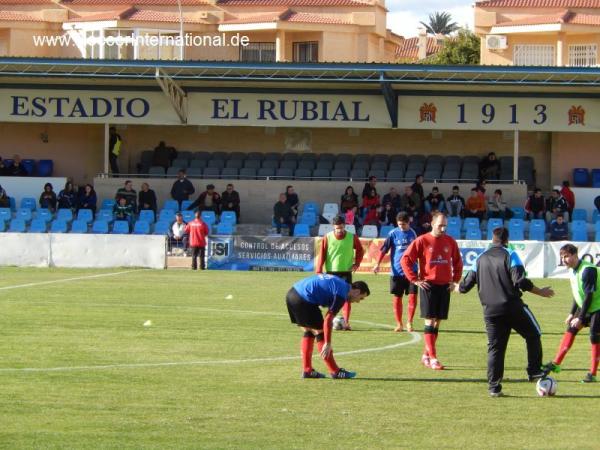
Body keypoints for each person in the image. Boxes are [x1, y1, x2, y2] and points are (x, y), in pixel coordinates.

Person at [457, 227, 555, 397]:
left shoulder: (480, 257)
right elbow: (520, 280)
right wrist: (540, 292)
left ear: (492, 239)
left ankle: (494, 388)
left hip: (490, 311)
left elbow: (464, 287)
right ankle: (534, 371)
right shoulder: (511, 254)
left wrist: (454, 287)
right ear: (507, 240)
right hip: (512, 306)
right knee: (534, 334)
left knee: (495, 348)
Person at [401, 212, 463, 370]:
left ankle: (426, 355)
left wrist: (455, 281)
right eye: (440, 225)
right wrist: (414, 279)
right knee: (429, 321)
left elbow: (458, 262)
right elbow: (406, 259)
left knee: (437, 323)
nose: (443, 228)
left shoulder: (450, 241)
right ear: (432, 224)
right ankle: (434, 358)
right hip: (428, 285)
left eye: (445, 226)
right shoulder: (422, 240)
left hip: (445, 286)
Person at [286, 273, 370, 379]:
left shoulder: (341, 284)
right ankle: (335, 371)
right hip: (304, 299)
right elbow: (328, 319)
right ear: (357, 291)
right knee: (320, 333)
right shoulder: (342, 293)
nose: (358, 301)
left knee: (309, 331)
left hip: (292, 294)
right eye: (360, 298)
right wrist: (327, 343)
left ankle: (307, 370)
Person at [543, 244, 600, 383]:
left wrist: (580, 318)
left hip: (597, 306)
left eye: (567, 256)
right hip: (587, 306)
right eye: (562, 257)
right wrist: (571, 313)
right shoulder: (572, 271)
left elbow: (588, 296)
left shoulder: (588, 270)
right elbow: (578, 294)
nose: (564, 260)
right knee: (571, 329)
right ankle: (556, 364)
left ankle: (592, 374)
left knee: (594, 336)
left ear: (575, 255)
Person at [316, 215, 365, 331]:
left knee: (347, 298)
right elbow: (322, 254)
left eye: (342, 227)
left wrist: (356, 263)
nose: (340, 230)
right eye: (337, 228)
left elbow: (360, 250)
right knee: (331, 298)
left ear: (345, 226)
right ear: (333, 227)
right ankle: (329, 321)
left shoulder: (351, 237)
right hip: (331, 273)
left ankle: (346, 322)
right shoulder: (327, 237)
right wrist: (318, 270)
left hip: (345, 272)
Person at [374, 212, 419, 332]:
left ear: (409, 222)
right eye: (399, 224)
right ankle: (399, 324)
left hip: (412, 271)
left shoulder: (413, 234)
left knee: (413, 297)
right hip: (397, 272)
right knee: (397, 297)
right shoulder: (393, 233)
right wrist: (377, 264)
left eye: (403, 224)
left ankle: (409, 322)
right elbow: (384, 249)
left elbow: (419, 251)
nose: (401, 227)